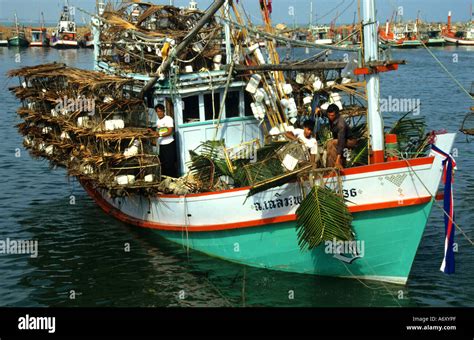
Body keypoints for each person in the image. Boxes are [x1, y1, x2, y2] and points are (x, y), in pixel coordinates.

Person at [326, 104, 357, 169]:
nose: (330, 117)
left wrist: (337, 160)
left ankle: (336, 165)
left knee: (331, 143)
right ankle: (330, 167)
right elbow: (323, 112)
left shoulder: (341, 125)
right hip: (340, 139)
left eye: (332, 116)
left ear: (337, 114)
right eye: (328, 115)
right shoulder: (329, 115)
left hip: (350, 141)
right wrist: (319, 110)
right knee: (330, 143)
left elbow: (341, 142)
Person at [154, 104, 177, 177]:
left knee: (170, 163)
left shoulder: (168, 119)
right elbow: (158, 132)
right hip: (161, 144)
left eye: (161, 111)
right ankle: (165, 179)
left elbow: (170, 131)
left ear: (164, 111)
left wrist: (160, 135)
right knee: (163, 163)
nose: (159, 113)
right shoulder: (157, 121)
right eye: (158, 111)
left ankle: (173, 178)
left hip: (169, 143)